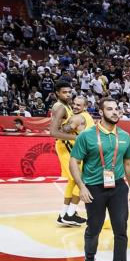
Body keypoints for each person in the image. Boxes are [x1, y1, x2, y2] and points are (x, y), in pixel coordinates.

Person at [68, 97, 130, 261]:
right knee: (94, 228)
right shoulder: (86, 135)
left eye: (117, 109)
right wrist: (81, 187)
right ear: (101, 111)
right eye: (110, 109)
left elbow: (128, 163)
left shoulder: (124, 136)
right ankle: (90, 258)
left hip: (118, 187)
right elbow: (74, 161)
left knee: (121, 230)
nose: (115, 112)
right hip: (94, 188)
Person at [48, 81, 86, 227]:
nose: (68, 94)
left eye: (69, 92)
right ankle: (70, 213)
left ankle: (64, 214)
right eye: (65, 92)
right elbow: (53, 132)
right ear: (57, 93)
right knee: (79, 177)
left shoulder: (66, 106)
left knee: (72, 180)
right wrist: (77, 138)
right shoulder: (60, 108)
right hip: (65, 145)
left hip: (66, 145)